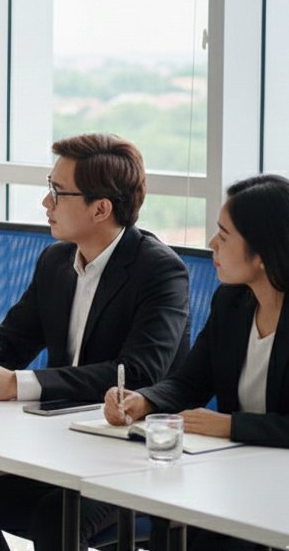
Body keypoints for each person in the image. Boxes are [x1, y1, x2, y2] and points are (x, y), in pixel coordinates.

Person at [0, 133, 190, 551]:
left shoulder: (158, 270)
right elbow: (13, 338)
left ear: (101, 208)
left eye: (57, 192)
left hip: (130, 456)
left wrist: (16, 384)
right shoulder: (56, 260)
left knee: (56, 515)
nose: (45, 203)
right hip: (63, 442)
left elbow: (139, 374)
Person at [104, 174, 289, 550]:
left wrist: (234, 426)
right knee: (175, 524)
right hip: (238, 476)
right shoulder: (231, 303)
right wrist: (146, 401)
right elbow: (190, 381)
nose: (211, 244)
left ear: (262, 252)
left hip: (276, 492)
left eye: (224, 235)